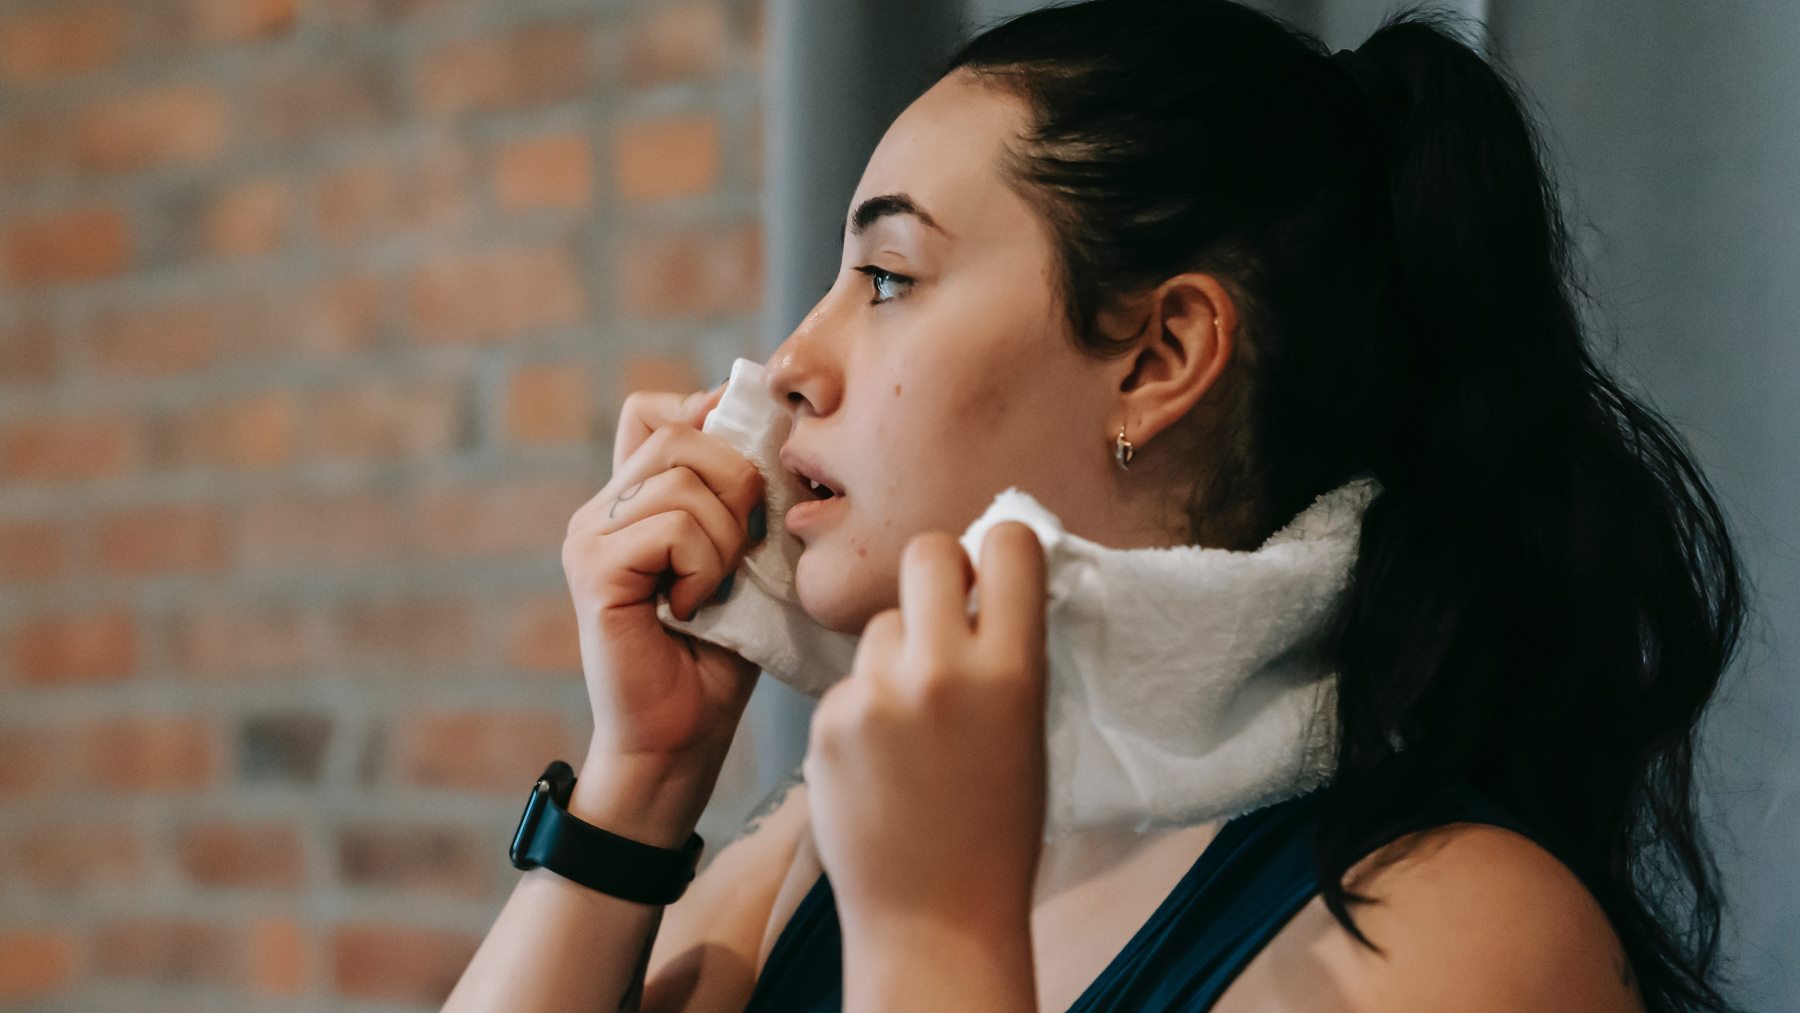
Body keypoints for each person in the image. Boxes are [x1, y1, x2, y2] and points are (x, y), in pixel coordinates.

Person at [445, 0, 1750, 1009]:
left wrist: (938, 937)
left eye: (888, 276)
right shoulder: (811, 847)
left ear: (1160, 357)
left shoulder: (1463, 926)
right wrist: (643, 777)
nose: (790, 360)